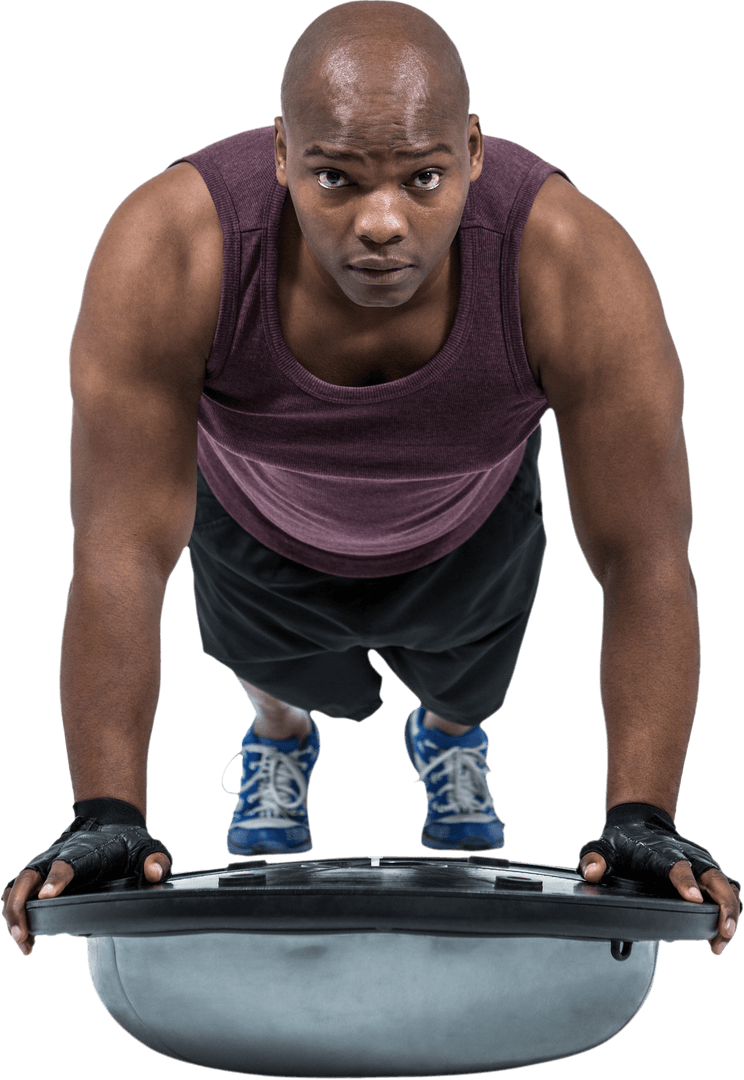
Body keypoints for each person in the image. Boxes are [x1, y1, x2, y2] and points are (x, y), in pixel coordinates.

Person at [3, 0, 739, 960]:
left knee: (465, 693)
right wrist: (106, 810)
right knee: (274, 680)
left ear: (474, 153)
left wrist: (644, 814)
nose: (383, 222)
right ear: (280, 155)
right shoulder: (175, 248)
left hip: (467, 534)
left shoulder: (568, 263)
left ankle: (446, 738)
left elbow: (645, 553)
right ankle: (278, 736)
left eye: (424, 177)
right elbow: (118, 549)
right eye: (336, 178)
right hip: (260, 532)